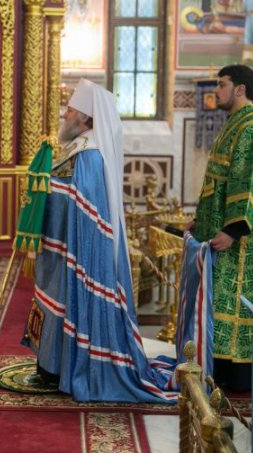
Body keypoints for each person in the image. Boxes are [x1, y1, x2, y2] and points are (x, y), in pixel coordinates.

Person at [22, 79, 178, 403]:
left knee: (64, 305)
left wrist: (48, 193)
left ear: (85, 118)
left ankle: (63, 370)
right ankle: (51, 367)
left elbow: (85, 211)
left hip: (76, 252)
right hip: (58, 246)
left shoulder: (90, 156)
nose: (65, 115)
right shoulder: (74, 149)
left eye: (70, 110)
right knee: (53, 305)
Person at [185, 65, 253, 392]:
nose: (216, 90)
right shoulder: (234, 124)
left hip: (243, 241)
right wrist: (200, 219)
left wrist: (234, 230)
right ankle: (220, 369)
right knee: (222, 302)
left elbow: (248, 181)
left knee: (238, 301)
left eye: (222, 84)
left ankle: (239, 374)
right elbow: (218, 181)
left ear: (240, 89)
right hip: (223, 235)